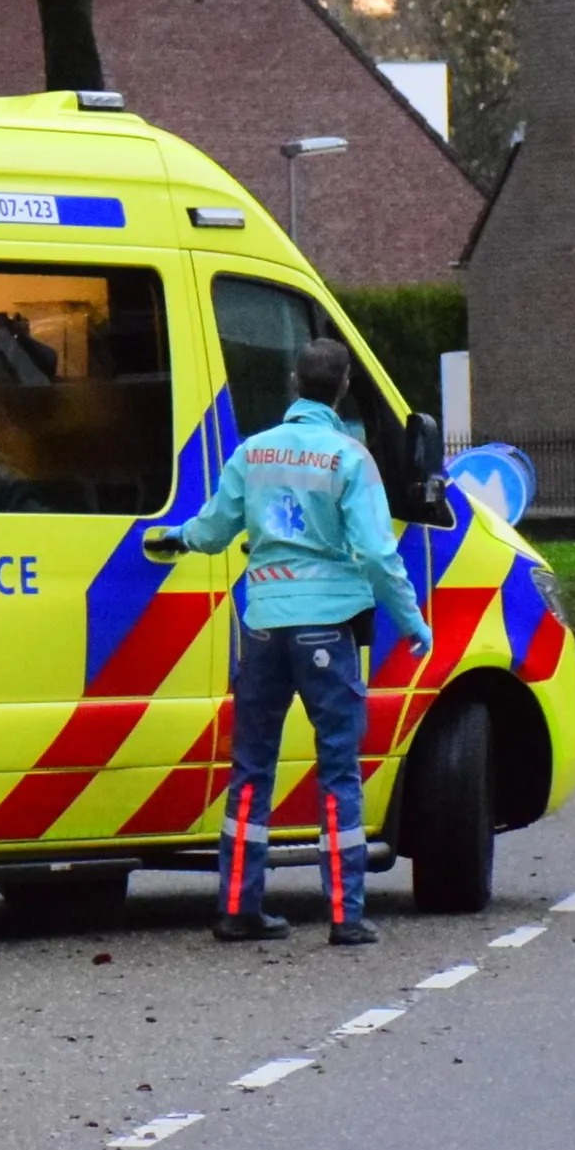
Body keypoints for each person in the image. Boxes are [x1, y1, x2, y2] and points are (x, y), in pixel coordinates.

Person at [172, 338, 429, 947]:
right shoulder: (349, 457)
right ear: (342, 388)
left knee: (251, 767)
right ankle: (345, 915)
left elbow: (211, 531)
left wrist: (174, 537)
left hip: (262, 625)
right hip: (327, 630)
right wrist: (413, 624)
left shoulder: (254, 452)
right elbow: (375, 552)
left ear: (294, 381)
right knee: (338, 766)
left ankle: (238, 907)